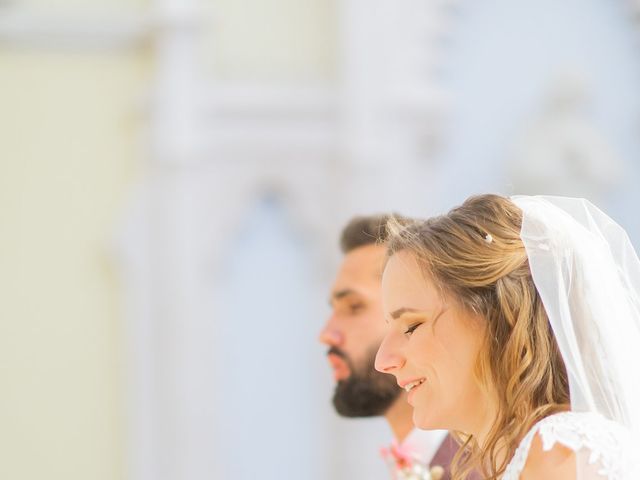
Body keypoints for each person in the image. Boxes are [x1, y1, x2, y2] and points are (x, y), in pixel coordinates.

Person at [375, 194, 640, 480]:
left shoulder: (559, 451)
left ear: (501, 316)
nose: (382, 361)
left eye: (412, 326)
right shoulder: (535, 456)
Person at [320, 215, 465, 480]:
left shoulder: (489, 467)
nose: (327, 335)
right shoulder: (420, 464)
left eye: (354, 307)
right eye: (334, 311)